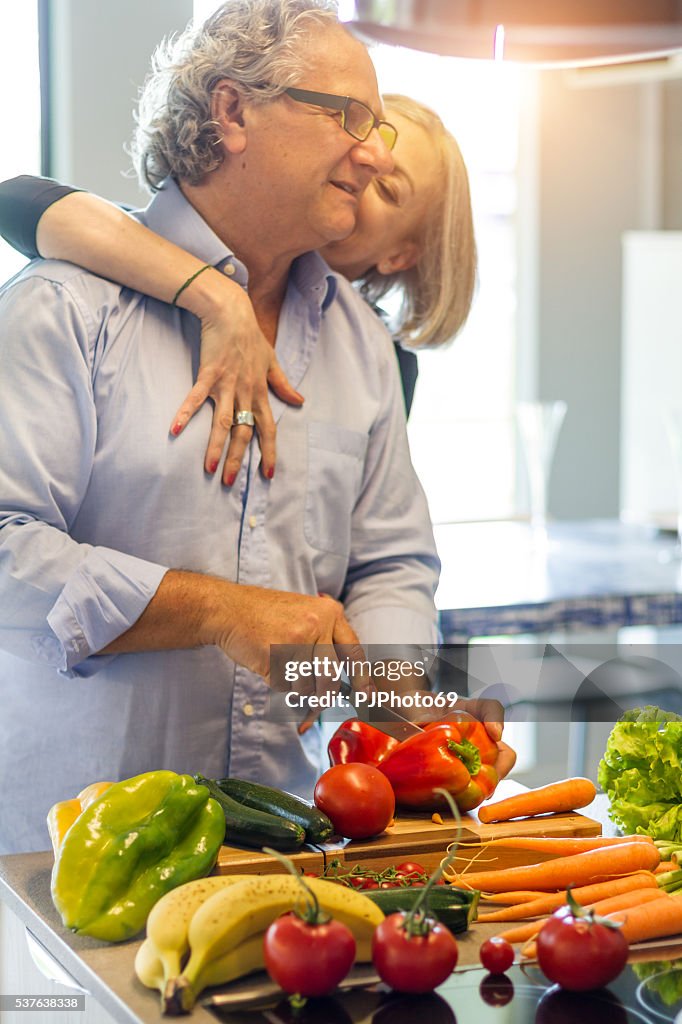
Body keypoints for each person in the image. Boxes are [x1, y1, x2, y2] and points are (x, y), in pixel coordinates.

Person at [0, 0, 509, 854]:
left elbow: (391, 560)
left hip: (291, 850)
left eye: (380, 128)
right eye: (350, 117)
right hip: (60, 857)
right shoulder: (62, 310)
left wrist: (401, 695)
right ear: (233, 112)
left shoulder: (363, 346)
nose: (375, 149)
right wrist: (214, 610)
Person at [0, 93, 476, 480]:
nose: (362, 167)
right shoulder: (103, 286)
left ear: (399, 257)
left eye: (388, 188)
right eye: (356, 135)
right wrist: (217, 295)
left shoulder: (379, 361)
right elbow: (15, 198)